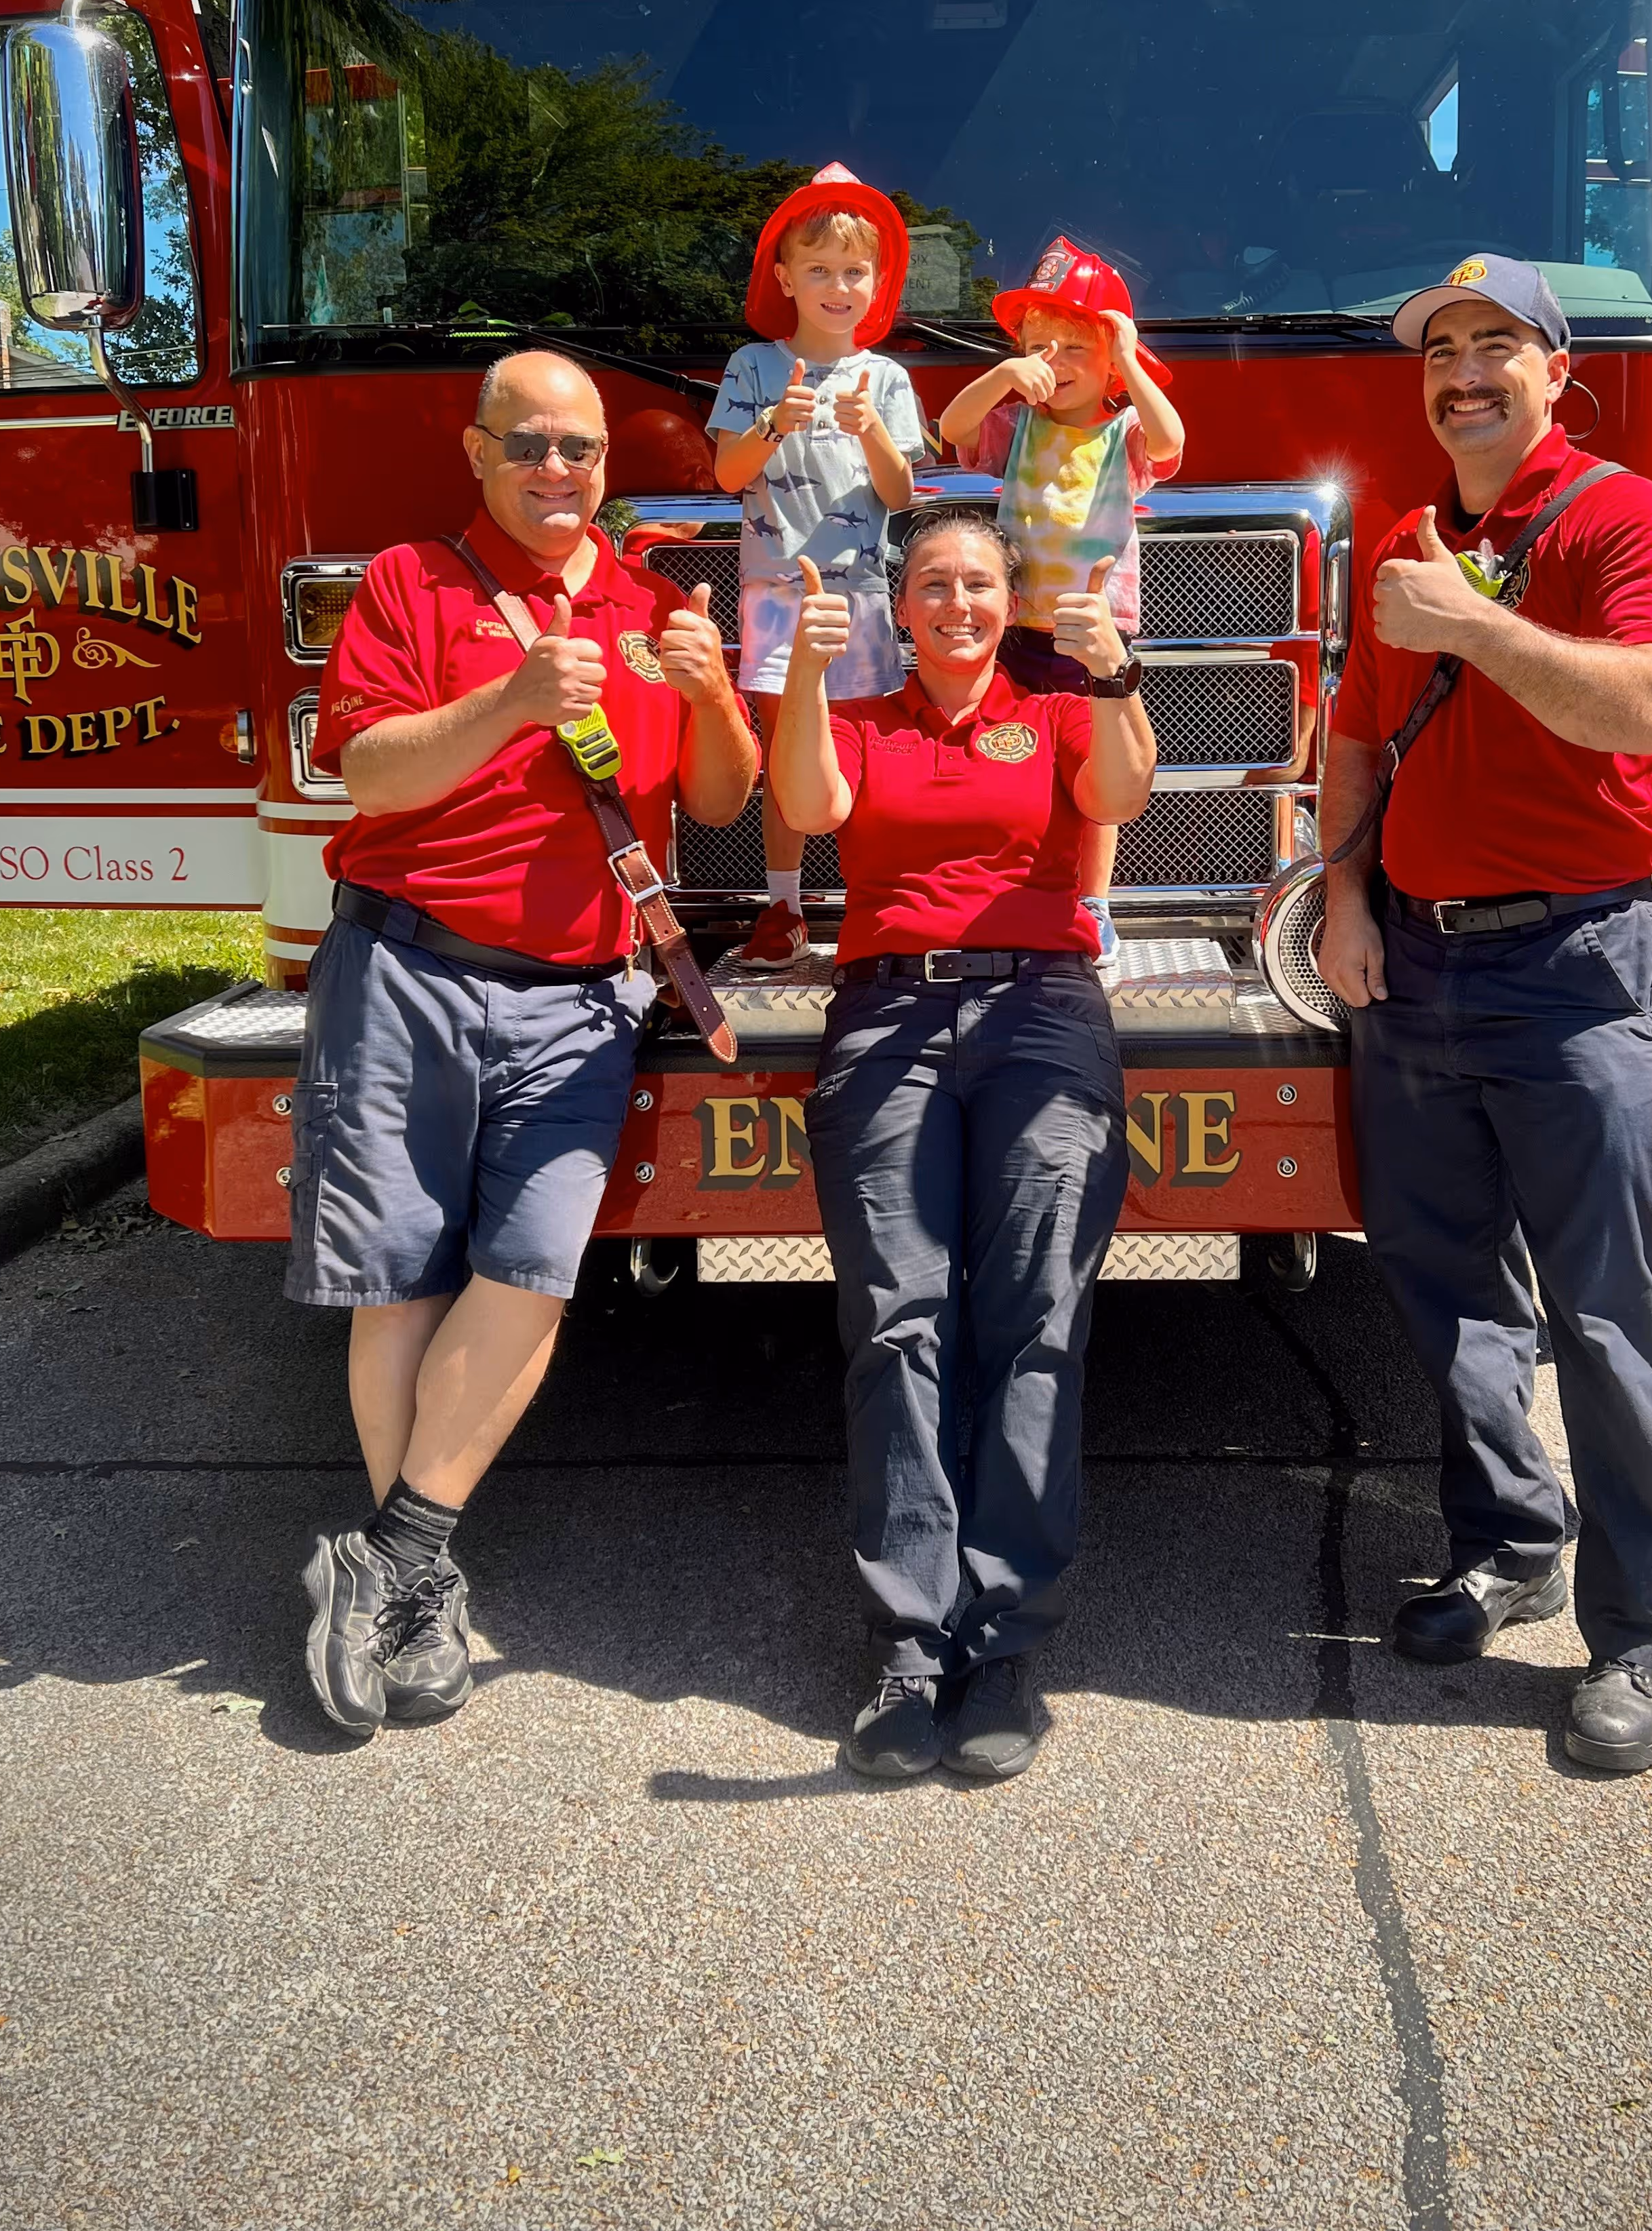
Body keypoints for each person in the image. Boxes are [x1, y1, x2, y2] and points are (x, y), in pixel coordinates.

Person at [292, 350, 759, 1739]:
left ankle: (388, 1555)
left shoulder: (650, 606)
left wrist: (716, 683)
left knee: (533, 1278)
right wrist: (509, 702)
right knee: (402, 1283)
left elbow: (722, 793)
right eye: (532, 446)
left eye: (584, 449)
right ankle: (422, 1589)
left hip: (582, 999)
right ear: (477, 450)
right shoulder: (407, 584)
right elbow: (361, 768)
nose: (561, 472)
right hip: (408, 969)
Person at [1316, 255, 1652, 1775]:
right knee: (1450, 1288)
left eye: (1497, 347)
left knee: (1612, 1317)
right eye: (1442, 352)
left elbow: (1645, 709)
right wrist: (1348, 905)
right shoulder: (1408, 540)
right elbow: (1357, 736)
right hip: (1413, 965)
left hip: (1573, 972)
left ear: (1559, 370)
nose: (1465, 372)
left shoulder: (1625, 520)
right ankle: (1508, 1544)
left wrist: (1472, 627)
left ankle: (1640, 1636)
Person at [770, 515, 1156, 1781]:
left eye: (978, 584)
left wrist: (1108, 674)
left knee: (1034, 1313)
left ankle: (1005, 1641)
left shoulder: (1049, 711)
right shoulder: (869, 716)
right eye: (932, 584)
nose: (956, 603)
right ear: (900, 602)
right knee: (898, 1317)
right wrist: (810, 672)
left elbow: (1119, 793)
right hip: (887, 1010)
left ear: (1008, 599)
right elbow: (807, 803)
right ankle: (909, 1643)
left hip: (1040, 1008)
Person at [939, 237, 1184, 971]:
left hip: (1092, 638)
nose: (1055, 362)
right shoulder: (1013, 428)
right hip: (1011, 634)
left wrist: (1134, 361)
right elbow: (951, 429)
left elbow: (1172, 442)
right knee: (1014, 763)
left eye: (1078, 346)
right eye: (1039, 345)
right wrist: (1002, 375)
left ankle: (1094, 902)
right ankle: (1014, 889)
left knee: (1095, 771)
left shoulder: (1125, 436)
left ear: (1110, 362)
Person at [709, 162, 928, 964]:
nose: (839, 286)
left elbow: (902, 492)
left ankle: (873, 898)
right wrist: (771, 424)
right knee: (786, 747)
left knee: (867, 744)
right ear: (785, 277)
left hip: (865, 595)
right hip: (776, 595)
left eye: (854, 271)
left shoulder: (891, 378)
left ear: (878, 282)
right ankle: (784, 906)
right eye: (820, 270)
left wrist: (871, 429)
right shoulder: (751, 367)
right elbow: (729, 474)